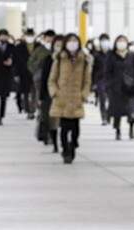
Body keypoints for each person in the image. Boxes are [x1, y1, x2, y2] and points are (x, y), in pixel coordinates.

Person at [48, 33, 92, 164]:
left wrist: (83, 94)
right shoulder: (59, 59)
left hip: (76, 99)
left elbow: (87, 81)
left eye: (75, 41)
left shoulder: (84, 60)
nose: (72, 43)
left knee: (75, 128)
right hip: (62, 98)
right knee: (64, 127)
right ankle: (65, 150)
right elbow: (52, 79)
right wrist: (55, 93)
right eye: (70, 41)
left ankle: (73, 146)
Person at [106, 35, 134, 140]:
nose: (121, 43)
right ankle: (118, 130)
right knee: (118, 111)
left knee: (131, 111)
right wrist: (110, 85)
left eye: (123, 41)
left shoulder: (132, 56)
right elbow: (107, 72)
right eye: (119, 41)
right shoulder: (111, 57)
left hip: (130, 88)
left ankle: (131, 129)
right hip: (116, 89)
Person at [39, 35, 64, 153]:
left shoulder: (69, 59)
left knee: (65, 120)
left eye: (61, 45)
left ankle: (65, 142)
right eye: (57, 45)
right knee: (52, 119)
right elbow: (44, 79)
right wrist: (41, 96)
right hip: (51, 94)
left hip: (65, 94)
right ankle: (55, 143)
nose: (59, 47)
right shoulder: (48, 59)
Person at [28, 29, 56, 120]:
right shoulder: (39, 50)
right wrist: (35, 71)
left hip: (53, 75)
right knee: (39, 93)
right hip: (39, 76)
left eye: (52, 38)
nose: (50, 40)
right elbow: (30, 62)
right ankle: (40, 110)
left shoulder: (56, 50)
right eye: (48, 38)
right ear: (44, 38)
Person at [15, 28, 40, 115]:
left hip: (36, 72)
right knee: (25, 91)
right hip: (23, 72)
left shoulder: (39, 46)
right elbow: (16, 62)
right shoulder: (19, 47)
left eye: (31, 35)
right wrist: (16, 74)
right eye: (28, 35)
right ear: (25, 36)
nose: (30, 37)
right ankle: (26, 108)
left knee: (34, 91)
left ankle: (32, 110)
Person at [93, 33, 111, 125]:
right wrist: (94, 83)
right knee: (102, 100)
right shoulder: (97, 56)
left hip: (111, 80)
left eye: (106, 41)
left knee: (112, 100)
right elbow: (94, 69)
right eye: (103, 41)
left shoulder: (112, 54)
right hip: (101, 80)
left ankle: (108, 114)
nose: (105, 43)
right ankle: (103, 117)